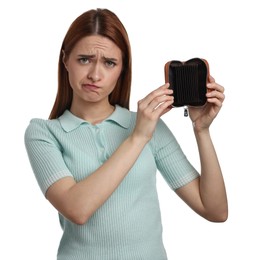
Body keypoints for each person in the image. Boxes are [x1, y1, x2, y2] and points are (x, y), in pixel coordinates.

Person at [24, 8, 228, 260]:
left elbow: (215, 210)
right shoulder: (44, 133)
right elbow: (77, 209)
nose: (95, 75)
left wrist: (202, 130)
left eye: (109, 63)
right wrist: (138, 137)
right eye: (84, 59)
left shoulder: (147, 125)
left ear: (122, 69)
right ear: (65, 60)